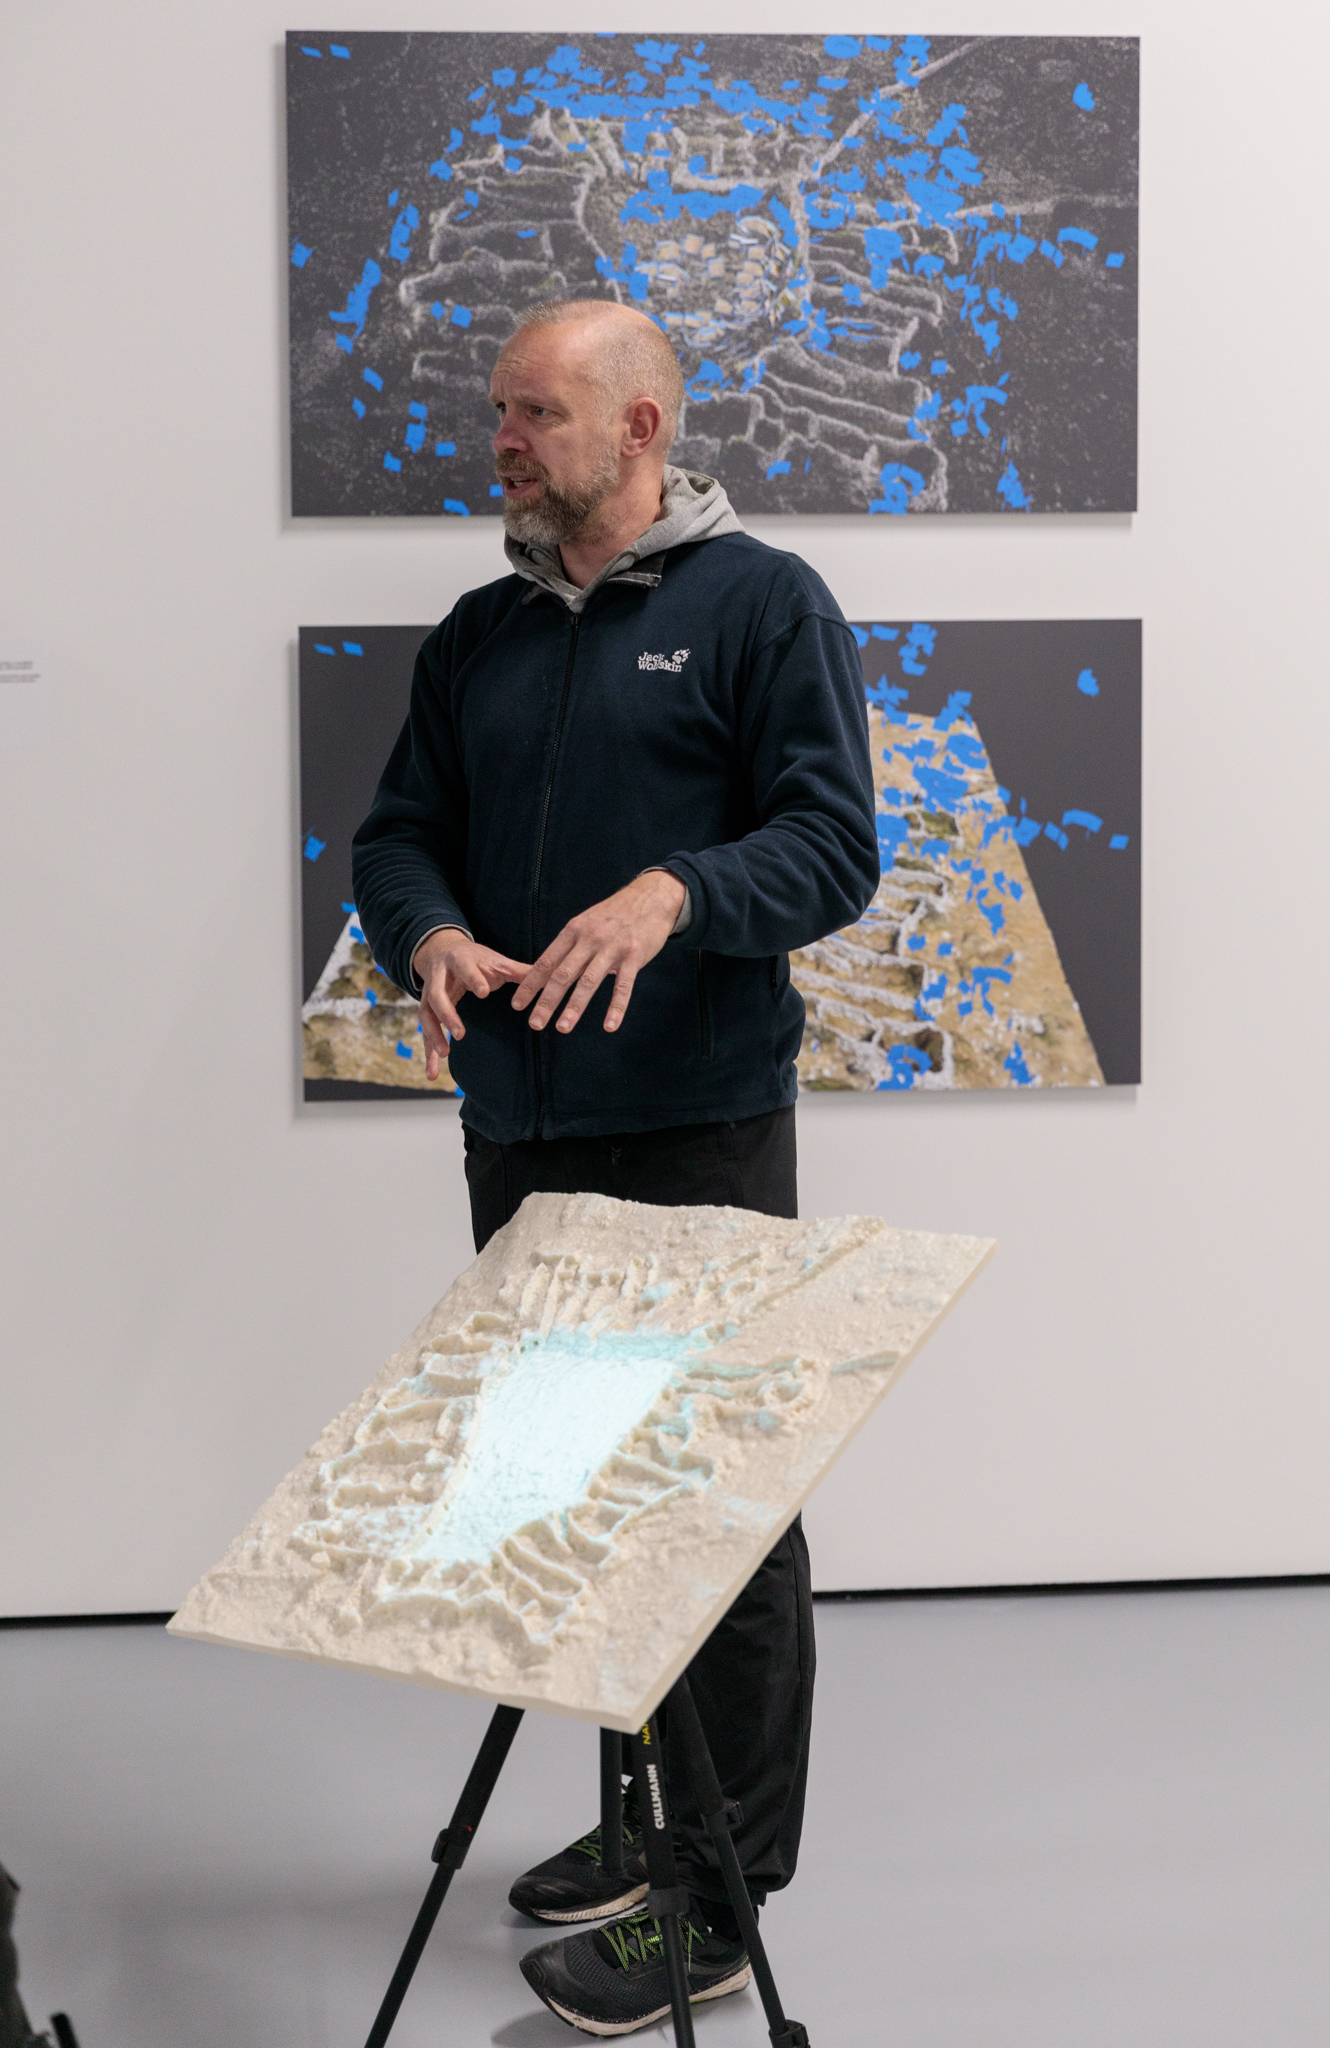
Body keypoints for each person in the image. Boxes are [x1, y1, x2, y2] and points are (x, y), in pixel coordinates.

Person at [353, 296, 879, 2036]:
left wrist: (674, 892)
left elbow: (831, 847)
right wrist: (428, 933)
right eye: (500, 412)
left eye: (534, 414)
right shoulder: (480, 631)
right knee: (576, 1491)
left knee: (714, 1507)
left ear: (640, 428)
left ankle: (717, 1897)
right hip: (519, 1127)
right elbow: (397, 837)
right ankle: (641, 1819)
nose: (501, 441)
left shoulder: (763, 606)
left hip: (696, 1119)